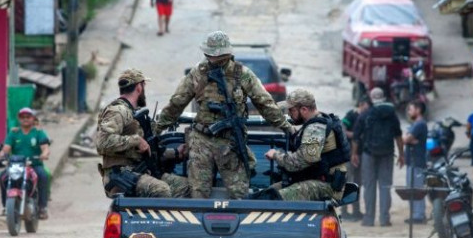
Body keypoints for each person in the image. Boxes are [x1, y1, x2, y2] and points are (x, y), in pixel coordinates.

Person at [154, 31, 293, 199]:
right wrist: (156, 129)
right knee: (198, 193)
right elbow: (176, 104)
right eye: (213, 56)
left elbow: (265, 103)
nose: (215, 59)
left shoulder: (242, 74)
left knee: (239, 194)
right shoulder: (198, 73)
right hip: (201, 141)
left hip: (231, 141)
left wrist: (286, 127)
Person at [95, 69, 190, 198]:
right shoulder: (118, 111)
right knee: (161, 190)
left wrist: (176, 153)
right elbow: (102, 142)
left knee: (184, 186)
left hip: (141, 171)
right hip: (120, 174)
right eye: (144, 86)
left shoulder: (137, 115)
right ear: (139, 87)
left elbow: (151, 149)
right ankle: (154, 218)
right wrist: (137, 140)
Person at [264, 89, 350, 201]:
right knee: (267, 194)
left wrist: (276, 155)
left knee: (273, 199)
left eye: (291, 110)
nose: (289, 114)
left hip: (326, 186)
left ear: (304, 109)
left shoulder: (316, 128)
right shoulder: (317, 122)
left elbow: (301, 161)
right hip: (315, 180)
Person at [351, 87, 404, 227]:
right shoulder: (392, 114)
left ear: (371, 97)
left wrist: (354, 154)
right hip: (387, 154)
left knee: (369, 186)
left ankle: (369, 219)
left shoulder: (365, 114)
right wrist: (402, 154)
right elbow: (398, 136)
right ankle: (384, 219)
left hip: (369, 154)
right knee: (385, 187)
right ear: (383, 97)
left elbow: (356, 137)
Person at [0, 107, 51, 219]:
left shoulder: (38, 132)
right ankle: (6, 206)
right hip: (16, 166)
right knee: (2, 177)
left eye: (28, 117)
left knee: (43, 176)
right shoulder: (14, 133)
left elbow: (45, 147)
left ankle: (42, 207)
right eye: (23, 117)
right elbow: (6, 148)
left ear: (33, 118)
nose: (25, 119)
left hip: (34, 165)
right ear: (19, 119)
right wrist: (0, 155)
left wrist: (44, 154)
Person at [340, 96, 370, 221]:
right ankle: (345, 212)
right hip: (349, 156)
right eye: (367, 106)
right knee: (348, 183)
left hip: (361, 154)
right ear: (362, 104)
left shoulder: (366, 117)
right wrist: (354, 135)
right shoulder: (351, 115)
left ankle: (356, 211)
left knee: (358, 184)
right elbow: (342, 129)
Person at [403, 100, 428, 224]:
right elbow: (406, 138)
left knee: (416, 189)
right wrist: (408, 139)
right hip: (412, 162)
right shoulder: (415, 124)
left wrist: (408, 139)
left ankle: (419, 215)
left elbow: (406, 139)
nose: (409, 112)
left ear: (418, 110)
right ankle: (415, 215)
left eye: (411, 109)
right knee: (411, 189)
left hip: (417, 162)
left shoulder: (419, 125)